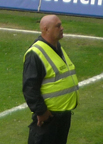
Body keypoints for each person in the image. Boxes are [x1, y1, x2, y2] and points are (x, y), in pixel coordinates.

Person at [22, 15, 78, 144]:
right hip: (48, 118)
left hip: (63, 116)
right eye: (58, 26)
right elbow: (30, 88)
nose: (62, 28)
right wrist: (41, 112)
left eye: (61, 25)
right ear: (46, 29)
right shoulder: (35, 54)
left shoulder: (58, 48)